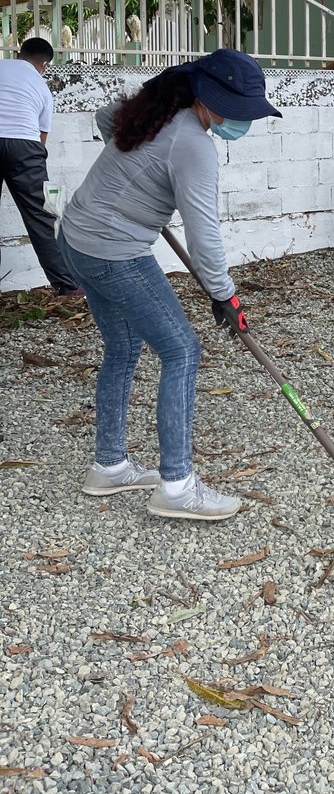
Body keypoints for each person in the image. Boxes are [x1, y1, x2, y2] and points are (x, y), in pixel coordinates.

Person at [57, 49, 281, 522]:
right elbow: (205, 238)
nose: (242, 120)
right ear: (209, 96)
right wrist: (225, 294)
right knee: (182, 350)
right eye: (236, 108)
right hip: (114, 251)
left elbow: (105, 118)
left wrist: (136, 182)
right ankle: (176, 487)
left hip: (78, 236)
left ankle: (110, 466)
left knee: (122, 347)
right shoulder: (193, 144)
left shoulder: (155, 110)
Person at [0, 37, 79, 294]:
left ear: (19, 53)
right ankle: (68, 287)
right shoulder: (41, 86)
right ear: (44, 64)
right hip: (25, 145)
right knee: (42, 217)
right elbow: (41, 139)